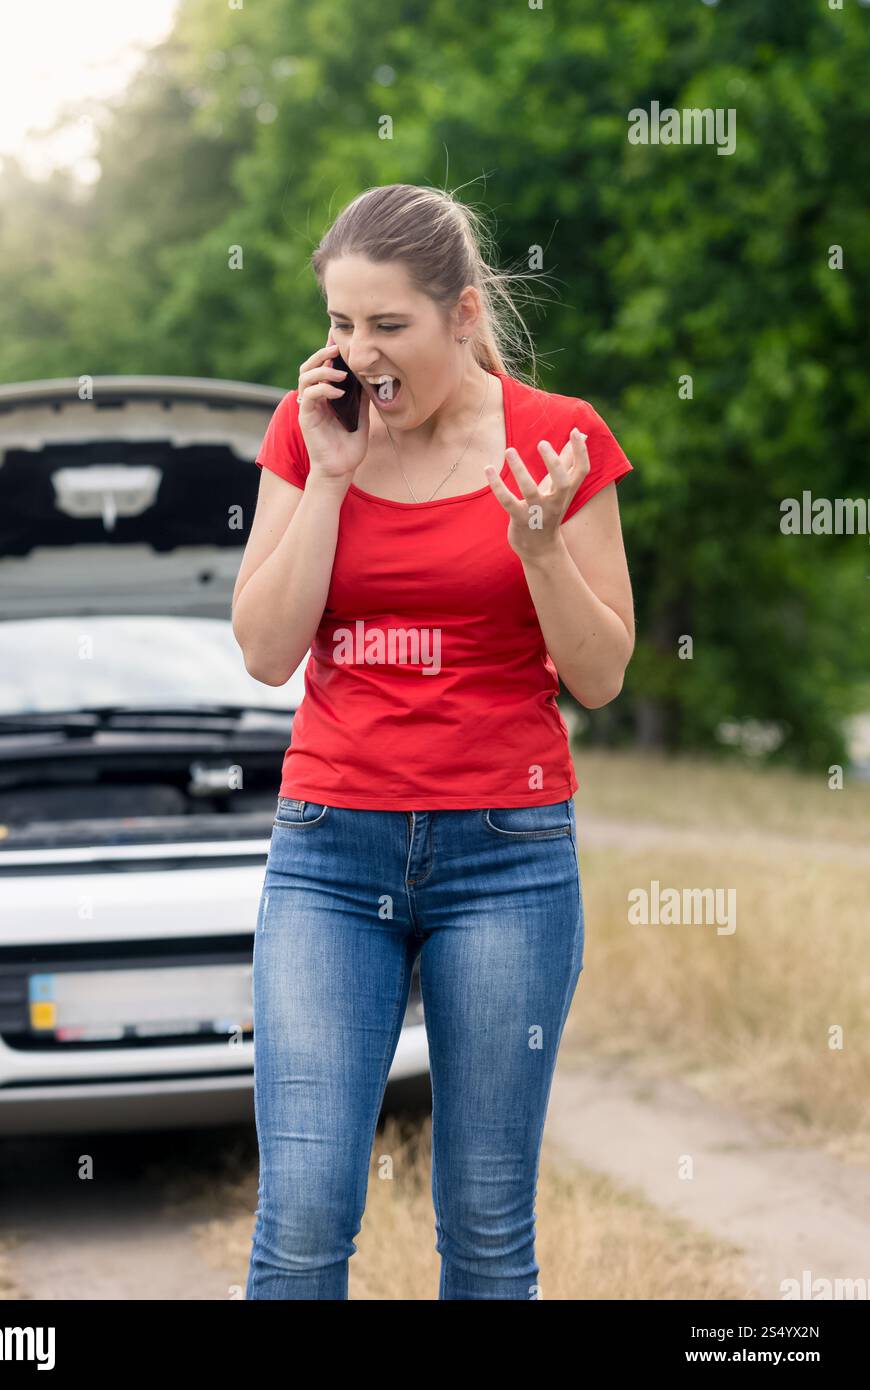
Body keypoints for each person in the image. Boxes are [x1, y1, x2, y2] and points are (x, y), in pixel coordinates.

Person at [232, 183, 635, 1300]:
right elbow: (267, 651)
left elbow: (601, 676)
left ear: (462, 313)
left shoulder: (563, 439)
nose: (358, 356)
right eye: (338, 325)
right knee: (306, 1212)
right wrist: (328, 477)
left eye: (387, 326)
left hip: (506, 856)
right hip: (329, 848)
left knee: (488, 1222)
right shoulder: (310, 427)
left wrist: (541, 547)